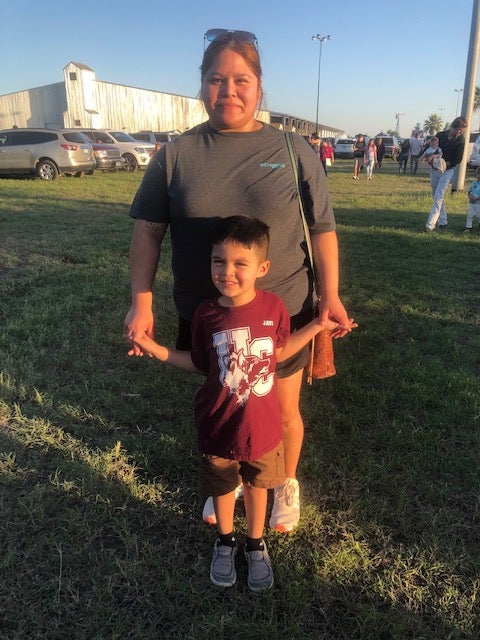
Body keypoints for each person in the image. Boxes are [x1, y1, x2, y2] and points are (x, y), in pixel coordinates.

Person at [124, 28, 353, 535]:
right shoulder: (175, 154)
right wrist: (142, 303)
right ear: (201, 86)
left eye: (241, 79)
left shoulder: (293, 150)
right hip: (208, 314)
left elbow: (323, 229)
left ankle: (285, 482)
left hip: (284, 309)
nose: (229, 91)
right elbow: (147, 232)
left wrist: (330, 297)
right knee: (225, 402)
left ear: (260, 86)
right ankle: (225, 486)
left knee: (281, 407)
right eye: (216, 79)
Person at [133, 216, 348, 591]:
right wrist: (156, 349)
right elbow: (197, 363)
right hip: (217, 427)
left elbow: (279, 353)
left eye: (239, 264)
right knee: (221, 486)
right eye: (219, 261)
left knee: (257, 485)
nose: (227, 272)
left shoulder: (274, 308)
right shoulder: (206, 314)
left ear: (262, 268)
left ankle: (254, 544)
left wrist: (315, 327)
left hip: (262, 430)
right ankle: (225, 541)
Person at [424, 116, 467, 232]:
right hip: (434, 170)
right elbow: (430, 149)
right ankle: (443, 221)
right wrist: (430, 159)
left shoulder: (460, 140)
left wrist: (445, 164)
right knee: (436, 195)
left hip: (447, 171)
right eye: (459, 129)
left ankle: (430, 224)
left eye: (462, 130)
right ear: (453, 126)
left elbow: (458, 158)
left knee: (439, 195)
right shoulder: (440, 135)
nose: (460, 131)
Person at [463, 167, 480, 234]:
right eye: (477, 174)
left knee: (478, 215)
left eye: (479, 174)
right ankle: (468, 227)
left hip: (478, 203)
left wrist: (476, 198)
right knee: (470, 215)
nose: (478, 176)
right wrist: (470, 197)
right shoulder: (474, 183)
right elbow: (469, 191)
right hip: (472, 203)